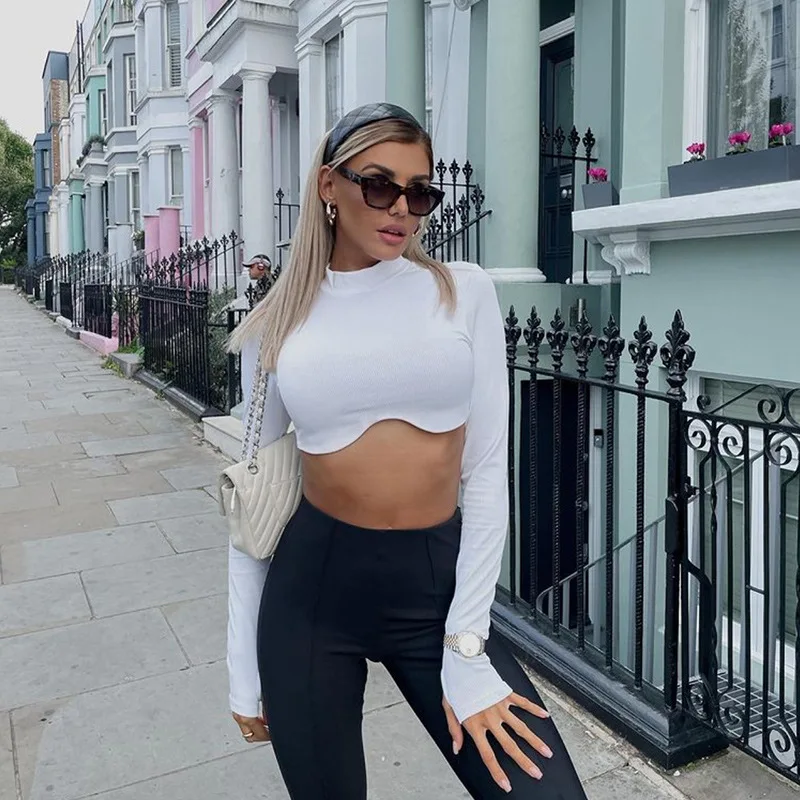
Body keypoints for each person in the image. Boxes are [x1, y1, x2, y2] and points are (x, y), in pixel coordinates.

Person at [226, 102, 587, 799]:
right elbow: (253, 500)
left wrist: (468, 647)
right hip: (312, 592)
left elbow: (488, 475)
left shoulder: (462, 291)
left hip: (435, 588)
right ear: (329, 186)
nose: (401, 208)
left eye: (419, 192)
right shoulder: (278, 319)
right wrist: (243, 668)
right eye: (378, 185)